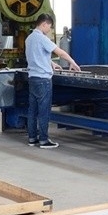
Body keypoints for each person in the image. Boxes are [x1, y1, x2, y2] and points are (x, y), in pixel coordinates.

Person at [24, 13, 80, 149]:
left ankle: (32, 138)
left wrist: (51, 63)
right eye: (49, 26)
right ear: (44, 24)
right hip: (43, 80)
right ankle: (43, 140)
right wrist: (72, 62)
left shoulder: (29, 38)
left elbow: (36, 55)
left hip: (33, 78)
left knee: (33, 110)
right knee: (44, 111)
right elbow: (60, 52)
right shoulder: (42, 38)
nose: (49, 30)